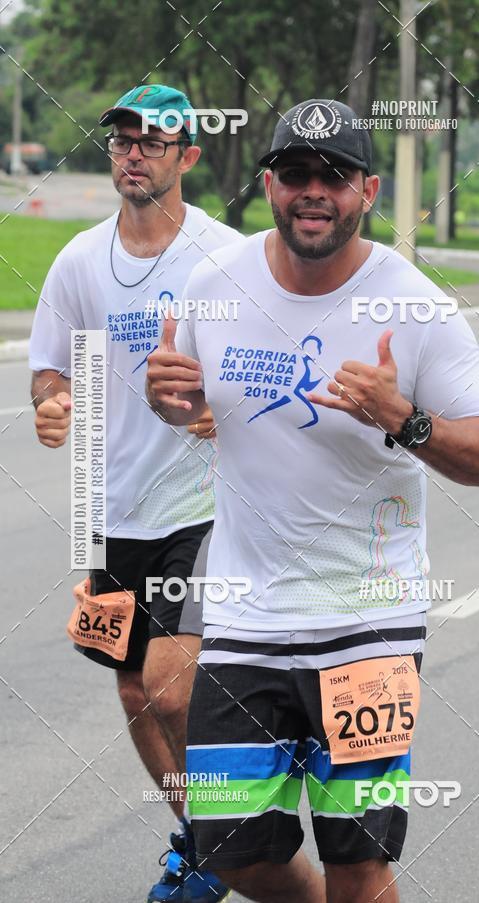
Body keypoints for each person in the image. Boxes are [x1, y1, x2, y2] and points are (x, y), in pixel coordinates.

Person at [147, 98, 479, 902]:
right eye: (295, 173)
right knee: (231, 849)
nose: (313, 190)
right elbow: (191, 405)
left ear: (368, 189)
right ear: (268, 182)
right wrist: (167, 399)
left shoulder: (414, 305)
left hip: (368, 621)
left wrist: (402, 417)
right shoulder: (213, 285)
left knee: (358, 860)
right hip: (245, 619)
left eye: (333, 176)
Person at [29, 84, 237, 903]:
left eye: (153, 141)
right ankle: (200, 835)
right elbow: (50, 365)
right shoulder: (80, 259)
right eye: (121, 140)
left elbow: (273, 370)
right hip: (111, 516)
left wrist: (225, 410)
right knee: (129, 689)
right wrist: (52, 403)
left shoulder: (226, 257)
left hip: (204, 509)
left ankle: (227, 835)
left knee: (169, 685)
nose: (134, 153)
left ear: (187, 155)